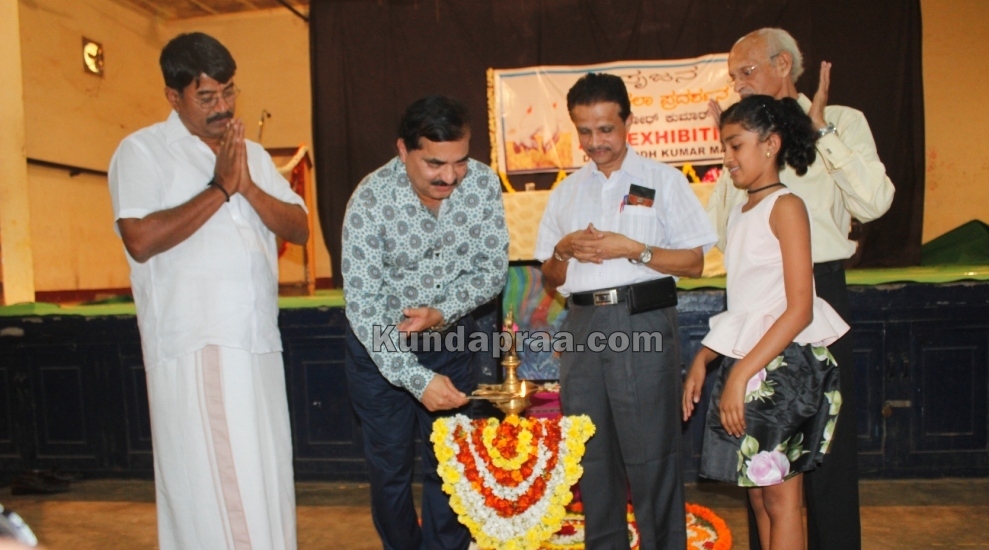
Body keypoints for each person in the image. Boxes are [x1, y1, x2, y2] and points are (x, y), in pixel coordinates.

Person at [108, 32, 307, 550]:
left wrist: (246, 185)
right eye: (207, 97)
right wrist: (220, 189)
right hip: (200, 343)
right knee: (221, 492)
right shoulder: (142, 151)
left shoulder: (254, 156)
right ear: (174, 98)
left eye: (229, 92)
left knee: (266, 484)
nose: (223, 107)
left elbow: (300, 227)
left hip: (258, 339)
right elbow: (140, 239)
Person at [706, 28, 895, 550]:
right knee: (761, 464)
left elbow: (875, 203)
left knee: (827, 456)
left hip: (816, 299)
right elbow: (724, 237)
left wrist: (823, 132)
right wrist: (729, 162)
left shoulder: (843, 120)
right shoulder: (742, 141)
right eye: (733, 78)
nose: (739, 86)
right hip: (750, 303)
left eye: (747, 73)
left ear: (783, 65)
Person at [535, 73, 717, 549]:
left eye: (606, 129)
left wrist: (633, 249)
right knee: (590, 455)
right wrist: (563, 250)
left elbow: (695, 263)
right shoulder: (566, 193)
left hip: (642, 320)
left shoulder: (663, 181)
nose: (595, 143)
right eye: (585, 131)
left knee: (651, 453)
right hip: (582, 325)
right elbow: (550, 278)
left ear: (628, 122)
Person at [341, 95, 509, 550]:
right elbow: (363, 306)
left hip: (449, 342)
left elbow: (491, 271)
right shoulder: (370, 201)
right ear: (403, 149)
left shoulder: (481, 186)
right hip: (380, 354)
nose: (450, 176)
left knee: (450, 465)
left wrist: (443, 311)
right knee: (391, 472)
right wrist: (415, 378)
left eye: (459, 161)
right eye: (435, 163)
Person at [684, 95, 849, 549]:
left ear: (771, 143)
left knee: (781, 500)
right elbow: (747, 307)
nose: (728, 158)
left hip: (781, 369)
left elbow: (800, 308)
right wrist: (705, 357)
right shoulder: (742, 209)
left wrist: (738, 373)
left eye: (736, 146)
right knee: (759, 499)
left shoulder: (786, 207)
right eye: (724, 146)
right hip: (750, 365)